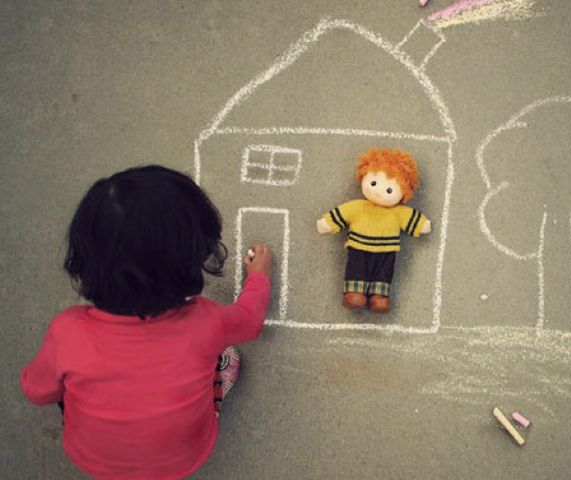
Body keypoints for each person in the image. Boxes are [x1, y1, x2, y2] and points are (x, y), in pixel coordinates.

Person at [20, 165, 272, 479]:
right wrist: (259, 277)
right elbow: (250, 320)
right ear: (191, 256)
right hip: (184, 457)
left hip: (92, 459)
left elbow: (37, 391)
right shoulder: (205, 322)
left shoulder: (67, 331)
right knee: (222, 356)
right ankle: (216, 390)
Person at [316, 148, 431, 313]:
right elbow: (343, 213)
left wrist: (422, 225)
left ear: (403, 192)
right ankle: (354, 292)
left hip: (386, 251)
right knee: (356, 267)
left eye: (389, 190)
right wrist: (327, 223)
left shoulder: (398, 212)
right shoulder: (358, 207)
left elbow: (414, 220)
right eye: (374, 183)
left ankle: (380, 296)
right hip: (359, 247)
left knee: (384, 272)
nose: (378, 192)